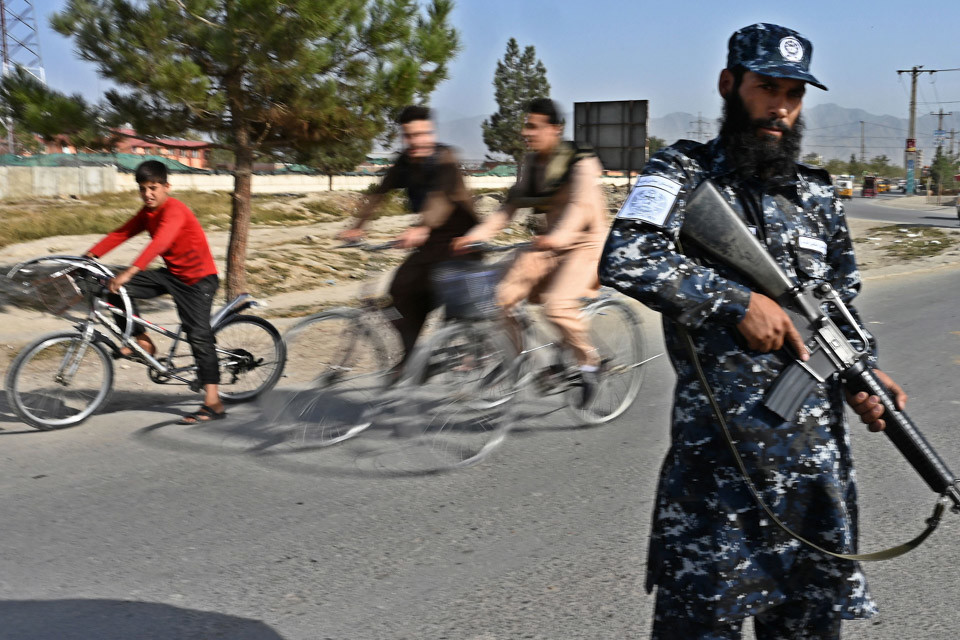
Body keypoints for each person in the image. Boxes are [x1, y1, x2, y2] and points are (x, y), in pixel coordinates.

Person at [598, 24, 907, 639]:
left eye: (793, 94)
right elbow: (626, 255)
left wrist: (862, 375)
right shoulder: (682, 174)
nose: (780, 108)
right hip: (717, 482)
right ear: (729, 84)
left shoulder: (819, 197)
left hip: (813, 482)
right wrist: (736, 301)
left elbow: (841, 308)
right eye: (767, 88)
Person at [452, 98, 609, 407]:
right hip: (549, 243)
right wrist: (473, 237)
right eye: (525, 125)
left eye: (533, 126)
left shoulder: (581, 161)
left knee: (557, 307)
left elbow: (579, 207)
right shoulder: (532, 164)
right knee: (499, 296)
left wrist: (559, 236)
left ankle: (590, 362)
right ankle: (515, 355)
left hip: (586, 244)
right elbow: (508, 208)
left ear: (555, 129)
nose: (526, 132)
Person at [338, 105, 479, 370]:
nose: (416, 141)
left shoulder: (445, 159)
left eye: (422, 134)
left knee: (447, 295)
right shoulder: (405, 162)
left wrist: (422, 227)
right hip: (430, 242)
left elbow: (441, 198)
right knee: (400, 291)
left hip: (461, 242)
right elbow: (379, 194)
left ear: (431, 132)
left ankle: (467, 350)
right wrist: (357, 225)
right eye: (410, 136)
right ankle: (413, 356)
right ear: (404, 136)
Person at [84, 160, 224, 425]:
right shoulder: (147, 213)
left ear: (166, 187)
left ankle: (213, 403)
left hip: (198, 281)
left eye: (153, 187)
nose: (148, 194)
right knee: (114, 286)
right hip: (172, 274)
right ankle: (143, 342)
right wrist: (87, 257)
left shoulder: (175, 210)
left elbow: (160, 243)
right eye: (142, 189)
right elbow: (121, 233)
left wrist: (131, 270)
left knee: (198, 336)